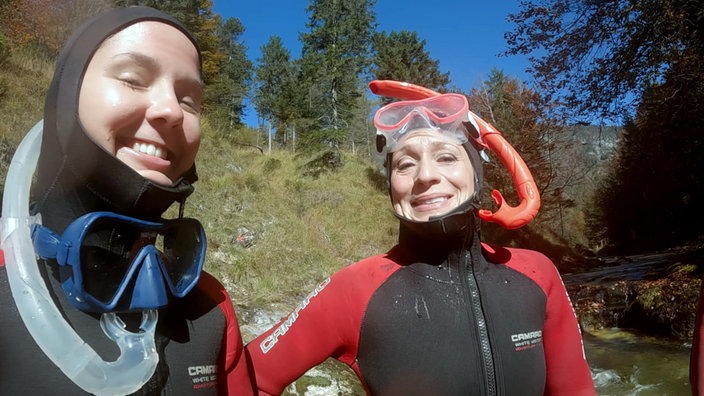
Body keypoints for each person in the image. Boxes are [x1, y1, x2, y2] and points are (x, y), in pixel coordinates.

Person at [243, 80, 596, 395]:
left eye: (445, 157)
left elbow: (576, 390)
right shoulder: (354, 290)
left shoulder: (536, 274)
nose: (425, 175)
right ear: (391, 184)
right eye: (405, 164)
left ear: (476, 175)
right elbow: (248, 378)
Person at [0, 6, 252, 395]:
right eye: (134, 79)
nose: (171, 110)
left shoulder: (213, 307)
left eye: (189, 101)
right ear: (65, 99)